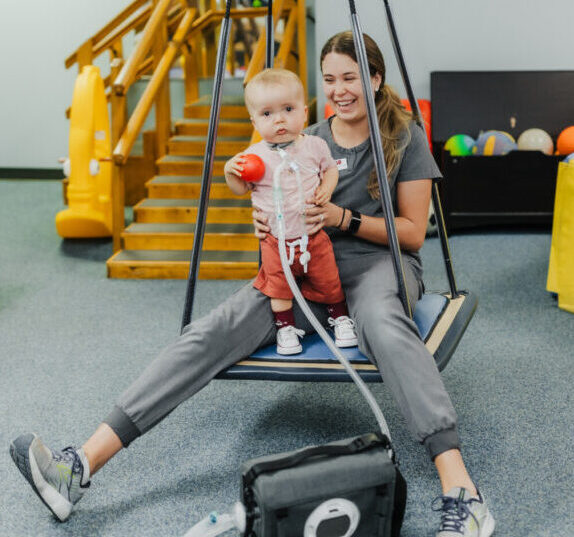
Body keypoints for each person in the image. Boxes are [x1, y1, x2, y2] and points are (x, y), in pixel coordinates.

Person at [9, 31, 495, 537]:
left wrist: (339, 217)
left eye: (350, 78)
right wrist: (263, 223)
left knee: (381, 322)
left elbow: (414, 233)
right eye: (329, 80)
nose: (339, 90)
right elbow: (260, 190)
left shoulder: (404, 137)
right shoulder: (305, 136)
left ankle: (461, 489)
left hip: (379, 261)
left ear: (374, 79)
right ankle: (78, 468)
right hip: (299, 264)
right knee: (209, 332)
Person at [224, 68, 358, 355]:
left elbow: (330, 169)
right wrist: (229, 172)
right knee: (278, 288)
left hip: (312, 235)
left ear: (304, 113)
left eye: (288, 109)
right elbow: (239, 189)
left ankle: (340, 317)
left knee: (329, 279)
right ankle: (286, 328)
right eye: (267, 114)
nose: (280, 119)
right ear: (254, 121)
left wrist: (327, 187)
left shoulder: (314, 145)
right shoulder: (254, 156)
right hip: (276, 240)